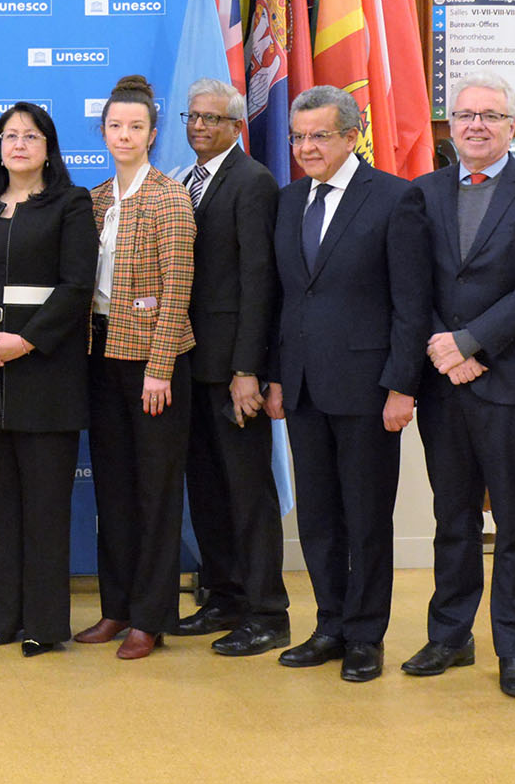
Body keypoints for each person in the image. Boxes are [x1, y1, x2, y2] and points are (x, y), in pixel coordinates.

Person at [405, 74, 515, 699]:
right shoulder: (421, 194)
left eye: (491, 115)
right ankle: (450, 635)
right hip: (443, 384)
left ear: (513, 126)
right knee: (451, 517)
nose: (477, 124)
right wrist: (442, 349)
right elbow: (408, 284)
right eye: (466, 114)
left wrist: (470, 343)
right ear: (451, 125)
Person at [266, 85, 430, 683]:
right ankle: (329, 624)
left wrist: (402, 386)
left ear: (352, 135)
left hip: (368, 388)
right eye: (299, 136)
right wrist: (277, 378)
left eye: (320, 136)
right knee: (318, 518)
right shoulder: (286, 202)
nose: (307, 147)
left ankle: (366, 635)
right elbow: (284, 298)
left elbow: (411, 304)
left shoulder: (393, 198)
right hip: (303, 387)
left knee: (365, 518)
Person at [0, 102, 96, 657]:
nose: (19, 144)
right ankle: (2, 618)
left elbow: (75, 286)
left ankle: (43, 623)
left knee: (44, 508)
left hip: (45, 378)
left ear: (48, 146)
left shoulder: (70, 204)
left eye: (30, 136)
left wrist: (26, 341)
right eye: (9, 135)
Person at [167, 78, 291, 658]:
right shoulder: (181, 183)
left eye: (211, 119)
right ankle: (223, 596)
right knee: (208, 491)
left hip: (232, 369)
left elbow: (258, 282)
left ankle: (268, 611)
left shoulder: (253, 182)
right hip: (188, 364)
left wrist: (249, 368)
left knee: (247, 492)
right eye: (192, 116)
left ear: (237, 126)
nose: (198, 126)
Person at [76, 76, 196, 659]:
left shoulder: (171, 198)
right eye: (115, 126)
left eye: (136, 127)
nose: (125, 135)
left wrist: (161, 367)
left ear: (152, 133)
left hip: (153, 366)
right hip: (101, 359)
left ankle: (151, 616)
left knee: (155, 492)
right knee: (115, 492)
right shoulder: (96, 200)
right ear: (103, 133)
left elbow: (178, 290)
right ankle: (115, 608)